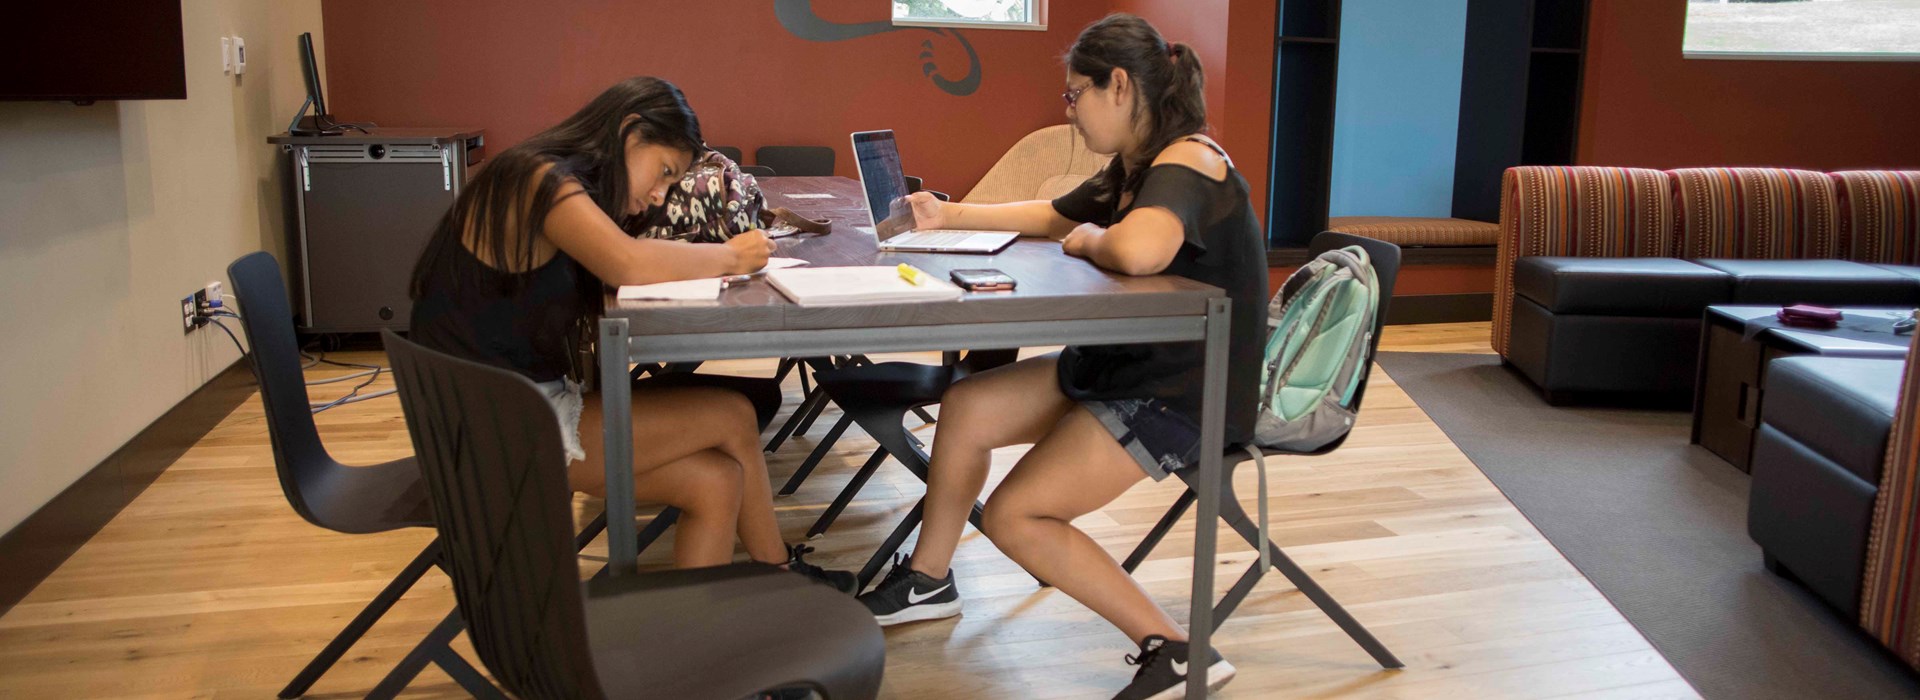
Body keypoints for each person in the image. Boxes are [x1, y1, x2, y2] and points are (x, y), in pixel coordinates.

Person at [853, 14, 1267, 698]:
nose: (1069, 110)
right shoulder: (1136, 163)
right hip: (1130, 365)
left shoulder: (1189, 160)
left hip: (1183, 392)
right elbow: (1054, 213)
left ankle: (1180, 649)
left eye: (1076, 94)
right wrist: (946, 214)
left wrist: (1090, 242)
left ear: (1120, 86)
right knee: (967, 407)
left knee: (1017, 514)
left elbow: (1137, 248)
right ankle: (929, 582)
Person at [408, 76, 853, 591]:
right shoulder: (536, 179)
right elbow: (625, 262)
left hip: (504, 410)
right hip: (496, 428)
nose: (658, 193)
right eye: (663, 171)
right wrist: (733, 255)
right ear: (629, 130)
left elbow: (622, 258)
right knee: (731, 413)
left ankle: (703, 635)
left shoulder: (543, 178)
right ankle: (783, 581)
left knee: (717, 480)